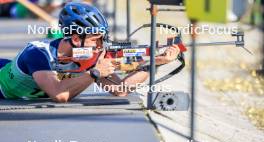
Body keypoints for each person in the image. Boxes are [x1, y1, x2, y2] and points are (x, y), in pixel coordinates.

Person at [0, 2, 180, 102]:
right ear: (76, 39)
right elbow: (59, 95)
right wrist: (95, 73)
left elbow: (120, 90)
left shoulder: (88, 55)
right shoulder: (38, 53)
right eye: (95, 40)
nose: (100, 46)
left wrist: (153, 64)